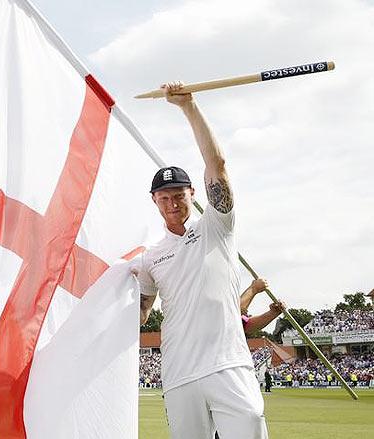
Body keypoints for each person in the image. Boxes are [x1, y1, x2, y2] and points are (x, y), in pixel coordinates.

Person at [137, 82, 268, 438]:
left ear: (193, 194)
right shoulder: (150, 258)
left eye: (179, 195)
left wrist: (189, 107)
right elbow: (141, 315)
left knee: (251, 422)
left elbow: (218, 165)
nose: (172, 203)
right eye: (164, 198)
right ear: (154, 201)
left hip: (228, 364)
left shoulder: (216, 226)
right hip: (179, 372)